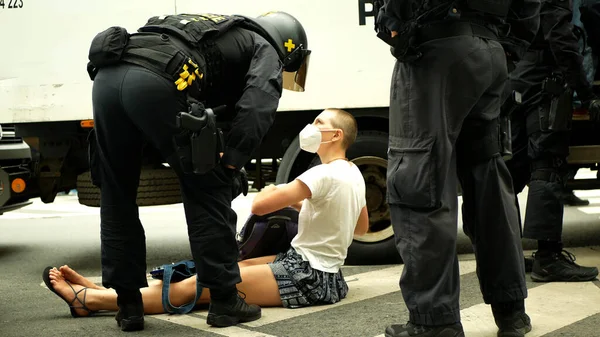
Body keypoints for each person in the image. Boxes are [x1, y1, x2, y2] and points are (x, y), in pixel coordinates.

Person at [85, 11, 311, 331]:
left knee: (116, 193)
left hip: (106, 81)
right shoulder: (266, 46)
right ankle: (224, 302)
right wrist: (232, 160)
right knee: (208, 185)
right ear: (289, 46)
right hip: (154, 82)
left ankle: (129, 305)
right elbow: (258, 102)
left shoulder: (216, 29)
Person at [42, 109, 369, 319]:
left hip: (307, 277)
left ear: (336, 135)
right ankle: (108, 293)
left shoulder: (321, 174)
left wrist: (279, 191)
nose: (311, 127)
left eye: (319, 123)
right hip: (325, 276)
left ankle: (92, 301)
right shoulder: (353, 173)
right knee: (224, 270)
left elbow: (258, 206)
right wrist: (309, 205)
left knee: (198, 288)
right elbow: (362, 226)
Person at [373, 0, 541, 336]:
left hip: (436, 46)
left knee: (420, 181)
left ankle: (434, 321)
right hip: (490, 50)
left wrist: (396, 23)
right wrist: (511, 47)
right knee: (488, 178)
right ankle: (511, 311)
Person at [504, 0, 600, 283]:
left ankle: (504, 254)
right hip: (544, 83)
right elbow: (560, 36)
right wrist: (586, 92)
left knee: (514, 169)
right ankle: (548, 257)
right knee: (548, 164)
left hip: (516, 78)